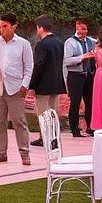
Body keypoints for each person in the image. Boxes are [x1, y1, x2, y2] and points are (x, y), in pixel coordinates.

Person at [0, 13, 34, 166]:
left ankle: (24, 152)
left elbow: (29, 66)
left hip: (16, 88)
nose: (1, 29)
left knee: (19, 121)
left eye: (5, 26)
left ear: (14, 26)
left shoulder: (23, 44)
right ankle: (1, 153)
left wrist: (25, 85)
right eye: (0, 26)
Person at [29, 15, 67, 147]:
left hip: (43, 85)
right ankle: (54, 139)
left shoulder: (42, 45)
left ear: (40, 27)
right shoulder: (60, 43)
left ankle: (44, 138)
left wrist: (32, 85)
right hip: (56, 84)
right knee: (53, 113)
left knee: (42, 113)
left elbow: (39, 66)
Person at [64, 19, 97, 137]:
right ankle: (74, 129)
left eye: (86, 29)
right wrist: (82, 57)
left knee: (90, 102)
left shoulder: (91, 41)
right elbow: (67, 61)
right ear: (76, 27)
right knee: (75, 102)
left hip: (89, 75)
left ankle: (90, 126)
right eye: (82, 29)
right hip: (75, 75)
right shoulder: (70, 42)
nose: (84, 32)